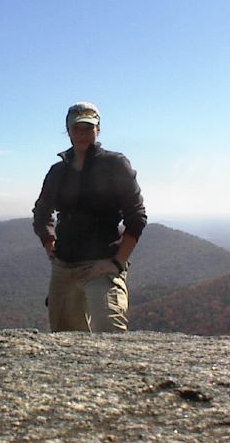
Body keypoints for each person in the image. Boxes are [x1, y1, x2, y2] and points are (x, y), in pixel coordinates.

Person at [32, 101, 147, 332]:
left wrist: (117, 262)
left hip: (101, 263)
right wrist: (49, 242)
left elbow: (137, 216)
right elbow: (42, 213)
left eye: (88, 128)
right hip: (64, 265)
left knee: (109, 327)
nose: (82, 134)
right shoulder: (58, 171)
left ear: (98, 129)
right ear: (68, 131)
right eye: (77, 128)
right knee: (65, 339)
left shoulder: (115, 164)